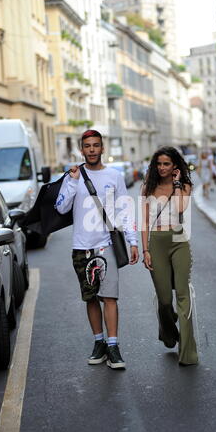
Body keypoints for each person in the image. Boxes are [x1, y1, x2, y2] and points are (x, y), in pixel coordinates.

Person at [56, 129, 139, 370]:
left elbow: (125, 210)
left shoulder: (114, 176)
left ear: (103, 148)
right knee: (91, 298)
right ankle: (99, 342)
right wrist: (71, 182)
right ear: (82, 150)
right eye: (87, 146)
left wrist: (133, 242)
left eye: (96, 145)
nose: (92, 150)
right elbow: (61, 208)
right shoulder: (73, 177)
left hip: (107, 246)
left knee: (110, 297)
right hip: (81, 247)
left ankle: (113, 346)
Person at [141, 147, 198, 366]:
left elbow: (181, 207)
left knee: (183, 295)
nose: (162, 168)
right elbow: (144, 221)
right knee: (165, 300)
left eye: (167, 164)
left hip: (178, 241)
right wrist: (145, 250)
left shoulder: (184, 185)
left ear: (175, 165)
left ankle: (188, 351)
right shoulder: (147, 187)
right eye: (159, 164)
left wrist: (176, 183)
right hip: (156, 242)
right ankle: (168, 331)